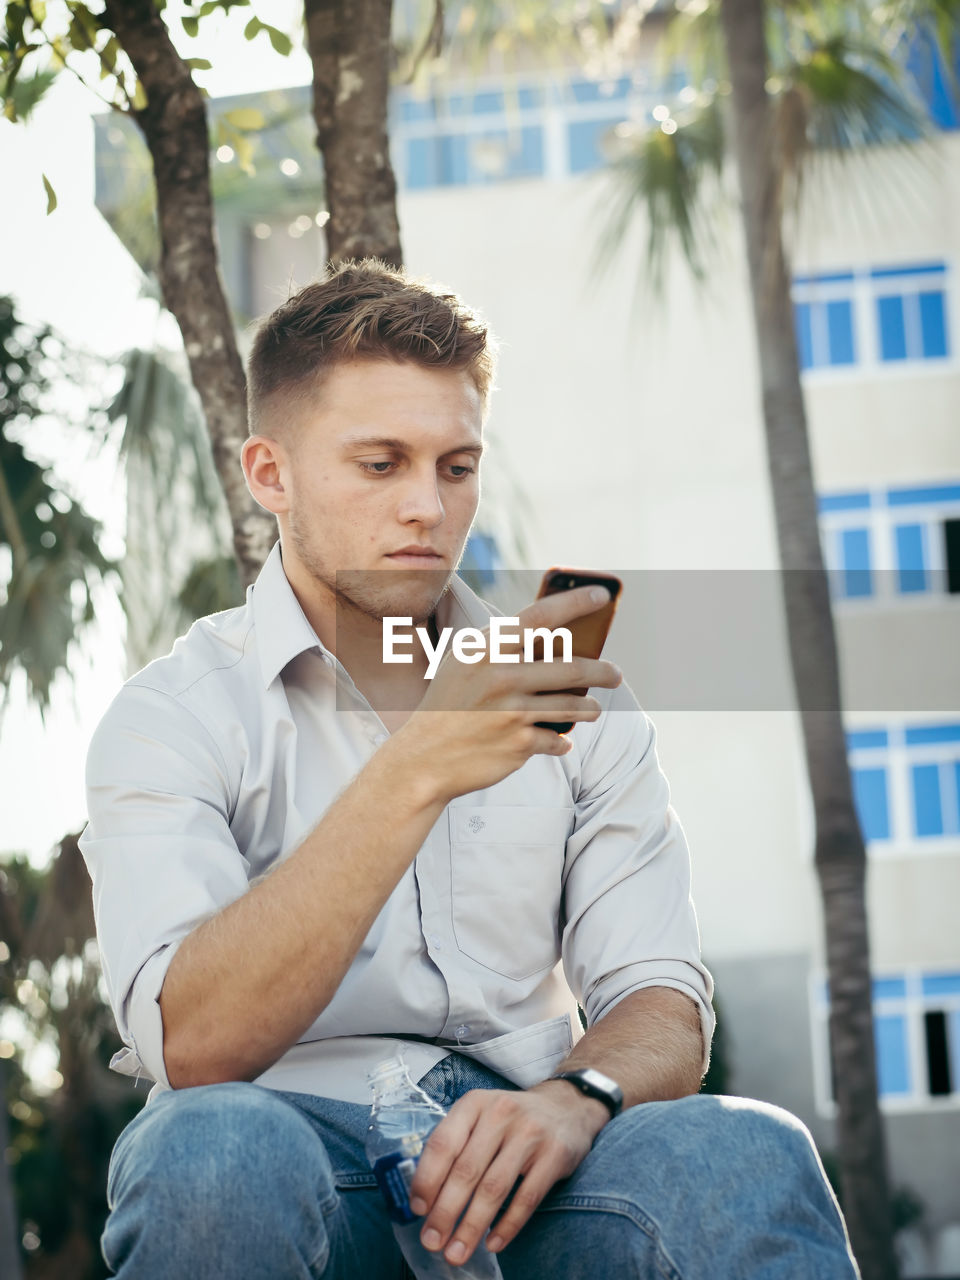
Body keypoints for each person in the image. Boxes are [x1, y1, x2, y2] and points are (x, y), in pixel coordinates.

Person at [80, 259, 859, 1279]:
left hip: (537, 1170)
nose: (428, 508)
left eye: (456, 466)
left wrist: (577, 1095)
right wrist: (416, 769)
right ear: (269, 474)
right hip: (293, 1148)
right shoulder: (171, 717)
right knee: (213, 1149)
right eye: (379, 464)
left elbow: (662, 998)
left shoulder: (578, 697)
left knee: (746, 1147)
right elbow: (197, 1041)